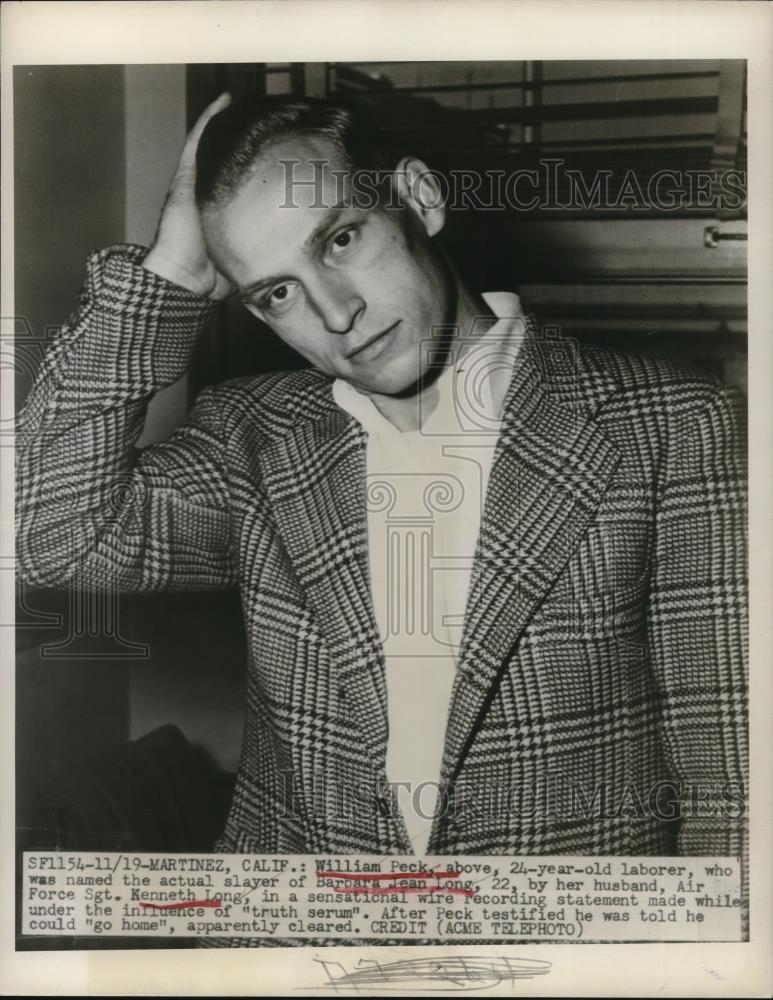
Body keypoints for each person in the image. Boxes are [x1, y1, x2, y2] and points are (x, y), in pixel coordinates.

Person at [16, 93, 748, 943]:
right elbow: (45, 531)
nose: (334, 314)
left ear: (420, 198)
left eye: (340, 239)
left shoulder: (669, 428)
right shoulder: (255, 440)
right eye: (277, 292)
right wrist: (169, 277)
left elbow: (731, 790)